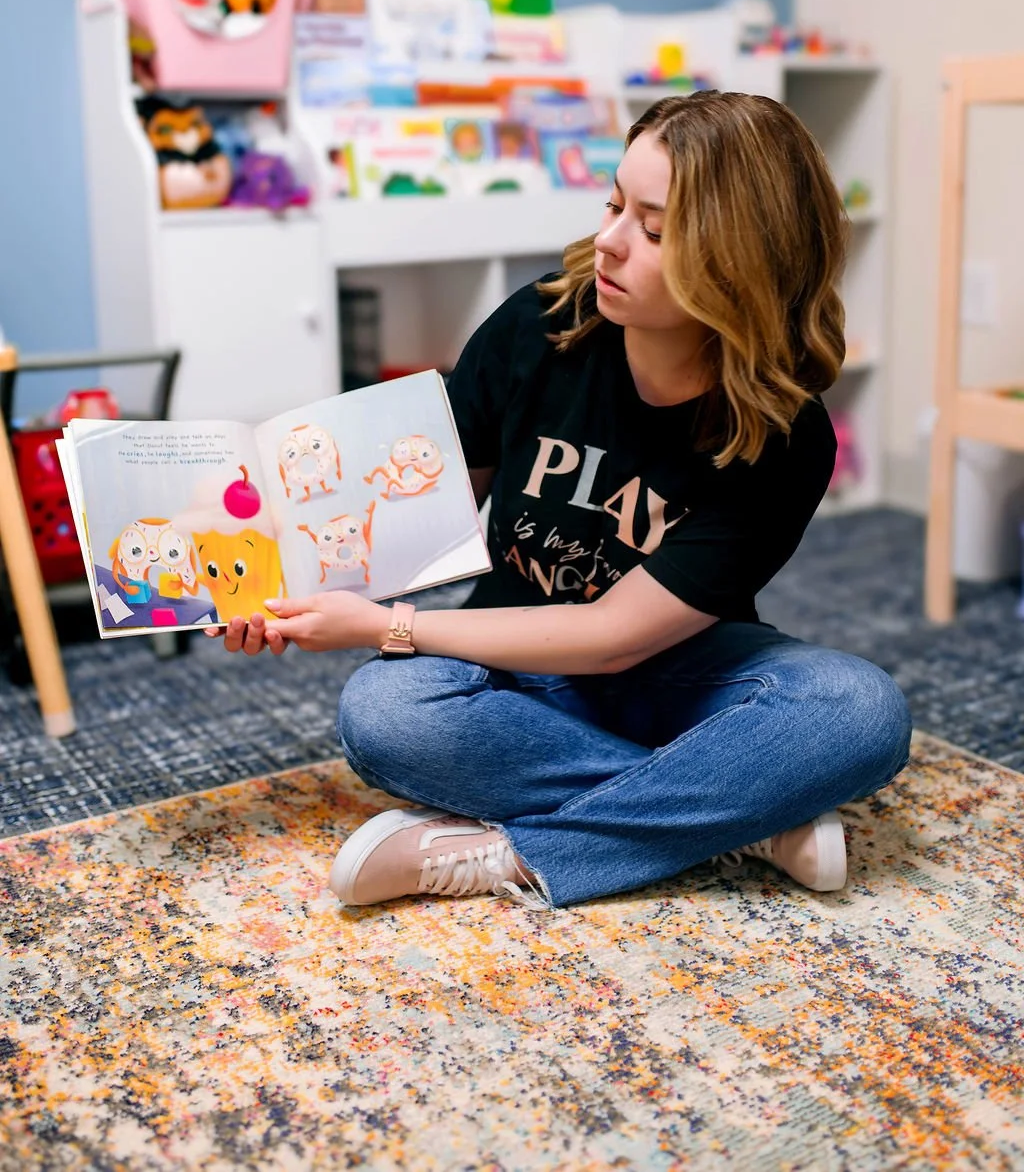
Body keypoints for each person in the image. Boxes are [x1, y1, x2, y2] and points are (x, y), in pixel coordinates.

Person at [216, 92, 912, 911]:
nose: (609, 242)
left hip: (675, 672)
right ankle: (737, 810)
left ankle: (512, 854)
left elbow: (614, 638)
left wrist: (385, 626)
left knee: (857, 707)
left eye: (654, 229)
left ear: (737, 260)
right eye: (615, 203)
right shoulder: (539, 324)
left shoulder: (784, 434)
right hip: (517, 667)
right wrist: (280, 573)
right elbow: (412, 507)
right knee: (386, 708)